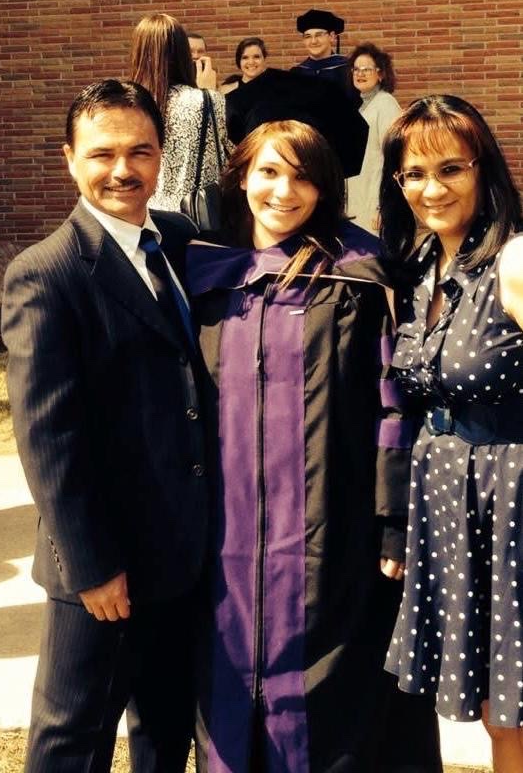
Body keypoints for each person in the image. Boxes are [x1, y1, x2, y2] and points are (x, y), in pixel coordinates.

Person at [186, 117, 442, 772]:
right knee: (227, 694)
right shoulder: (205, 274)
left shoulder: (358, 275)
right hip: (225, 545)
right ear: (240, 175)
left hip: (331, 541)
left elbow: (393, 404)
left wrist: (393, 524)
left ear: (325, 186)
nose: (283, 190)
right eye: (268, 171)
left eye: (302, 176)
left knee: (336, 718)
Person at [1, 79, 207, 773]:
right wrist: (93, 566)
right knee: (73, 739)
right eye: (102, 153)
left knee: (166, 729)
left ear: (161, 156)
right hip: (102, 569)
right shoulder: (47, 274)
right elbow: (49, 439)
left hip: (184, 554)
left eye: (140, 151)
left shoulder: (180, 240)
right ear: (69, 159)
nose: (123, 169)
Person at [379, 95, 523, 773]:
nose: (430, 188)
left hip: (512, 496)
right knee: (500, 705)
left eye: (449, 168)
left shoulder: (514, 262)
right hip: (447, 494)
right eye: (413, 173)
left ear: (482, 170)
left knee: (514, 707)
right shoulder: (421, 273)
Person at [131, 12, 228, 211]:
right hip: (195, 216)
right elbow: (227, 154)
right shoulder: (205, 100)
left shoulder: (131, 104)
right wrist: (208, 93)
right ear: (182, 53)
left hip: (145, 215)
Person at [346, 42, 401, 233]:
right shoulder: (361, 107)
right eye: (356, 69)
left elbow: (394, 158)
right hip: (358, 207)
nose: (359, 74)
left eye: (366, 69)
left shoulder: (386, 104)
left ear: (381, 73)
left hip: (375, 208)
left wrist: (383, 206)